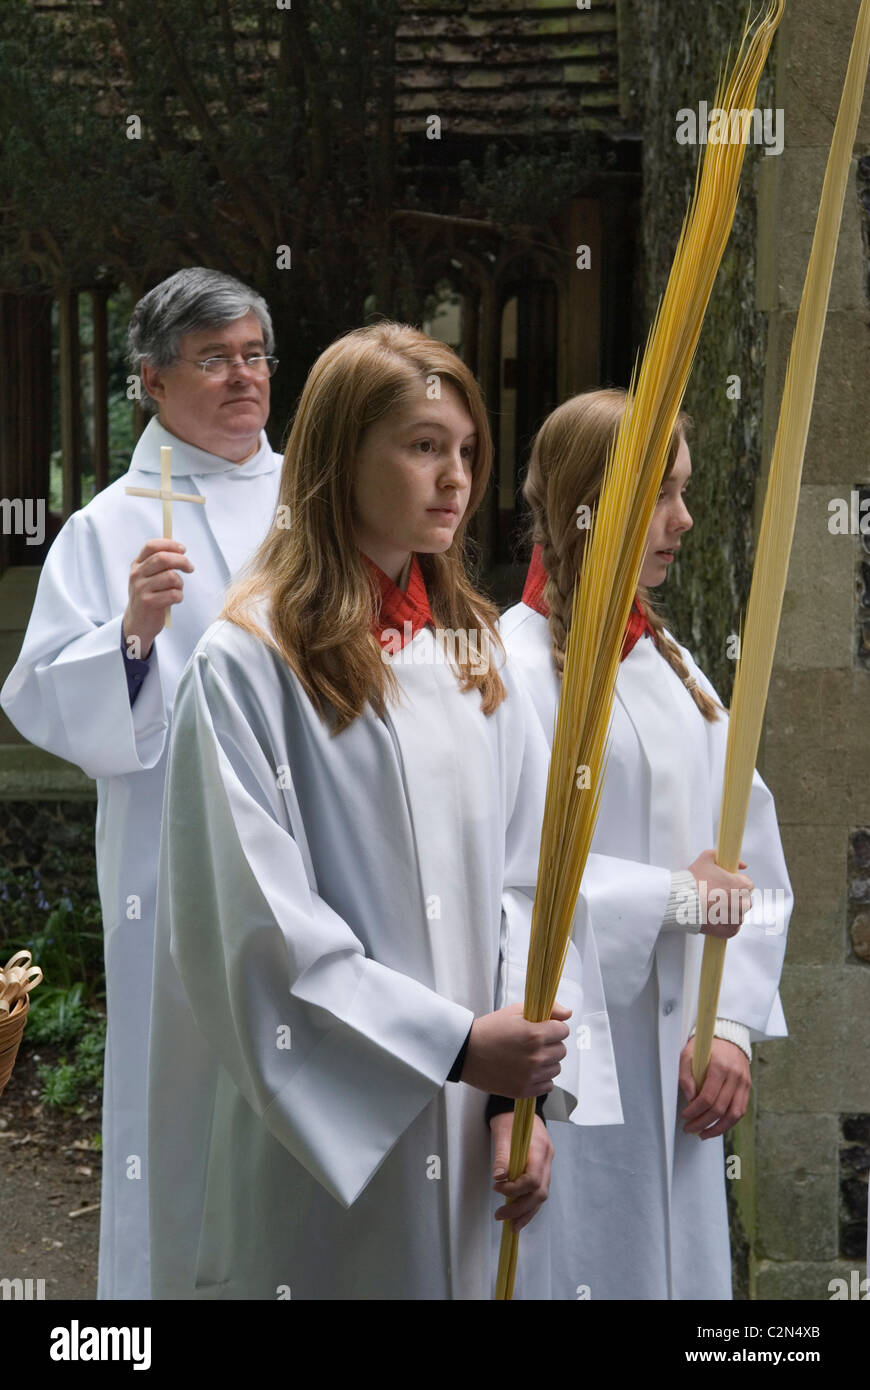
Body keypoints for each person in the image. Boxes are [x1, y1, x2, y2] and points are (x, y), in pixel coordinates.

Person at [146, 323, 620, 1300]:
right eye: (420, 446)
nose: (454, 477)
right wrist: (451, 1041)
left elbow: (534, 882)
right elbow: (254, 928)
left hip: (473, 1145)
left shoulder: (475, 656)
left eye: (465, 450)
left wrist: (508, 1095)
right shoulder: (249, 664)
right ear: (337, 456)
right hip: (326, 1159)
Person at [1, 267, 284, 1299]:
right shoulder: (110, 525)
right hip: (179, 861)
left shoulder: (323, 501)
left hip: (323, 854)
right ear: (153, 384)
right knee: (182, 1089)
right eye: (215, 359)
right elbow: (37, 692)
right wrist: (131, 636)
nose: (244, 377)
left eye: (254, 355)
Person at [500, 388, 792, 1299]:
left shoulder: (673, 667)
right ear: (601, 499)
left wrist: (733, 1025)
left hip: (681, 1077)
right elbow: (505, 883)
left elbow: (753, 859)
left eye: (686, 490)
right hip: (577, 1071)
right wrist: (672, 898)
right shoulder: (507, 671)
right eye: (665, 493)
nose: (685, 519)